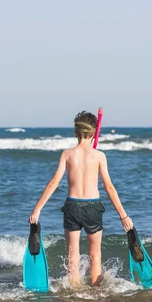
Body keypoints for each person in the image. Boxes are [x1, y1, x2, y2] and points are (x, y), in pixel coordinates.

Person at [29, 111, 134, 287]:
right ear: (94, 134)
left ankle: (74, 296)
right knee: (95, 255)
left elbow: (54, 182)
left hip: (72, 206)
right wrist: (123, 216)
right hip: (93, 207)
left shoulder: (67, 154)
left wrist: (37, 209)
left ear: (75, 133)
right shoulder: (99, 156)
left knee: (73, 253)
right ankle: (95, 297)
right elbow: (109, 187)